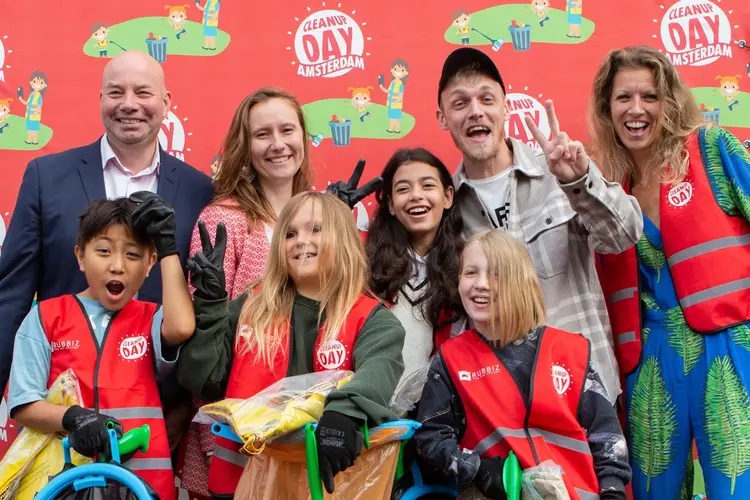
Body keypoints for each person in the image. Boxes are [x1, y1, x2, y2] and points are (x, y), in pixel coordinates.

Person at [177, 87, 380, 499]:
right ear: (245, 145)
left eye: (287, 130)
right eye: (262, 134)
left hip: (314, 433)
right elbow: (206, 337)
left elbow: (347, 315)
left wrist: (335, 226)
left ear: (303, 139)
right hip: (241, 435)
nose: (277, 144)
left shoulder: (324, 215)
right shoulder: (222, 219)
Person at [0, 50, 214, 402]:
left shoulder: (200, 190)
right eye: (116, 93)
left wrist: (191, 408)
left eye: (143, 93)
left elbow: (206, 309)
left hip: (164, 412)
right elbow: (11, 299)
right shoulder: (46, 178)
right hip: (62, 408)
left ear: (166, 102)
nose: (129, 104)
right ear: (100, 100)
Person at [437, 47, 643, 403]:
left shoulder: (558, 171)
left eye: (487, 99)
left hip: (582, 394)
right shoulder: (446, 208)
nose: (475, 111)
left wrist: (578, 180)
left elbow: (623, 235)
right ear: (442, 118)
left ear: (505, 108)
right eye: (460, 103)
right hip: (502, 406)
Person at [590, 45, 750, 499]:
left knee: (736, 486)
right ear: (607, 108)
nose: (636, 110)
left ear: (671, 102)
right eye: (623, 98)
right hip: (649, 357)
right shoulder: (607, 188)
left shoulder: (712, 148)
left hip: (729, 345)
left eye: (650, 97)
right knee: (654, 492)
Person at [178, 191, 406, 498]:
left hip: (325, 488)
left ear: (343, 239)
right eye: (290, 233)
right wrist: (210, 304)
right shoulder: (249, 307)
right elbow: (202, 380)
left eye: (315, 229)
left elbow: (378, 374)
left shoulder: (374, 320)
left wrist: (344, 414)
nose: (301, 240)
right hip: (242, 484)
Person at [414, 230, 632, 500]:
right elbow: (430, 438)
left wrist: (612, 489)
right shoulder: (449, 361)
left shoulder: (568, 351)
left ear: (521, 282)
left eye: (496, 274)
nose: (481, 284)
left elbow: (606, 436)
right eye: (470, 273)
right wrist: (477, 469)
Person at [7, 194, 195, 500]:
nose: (117, 266)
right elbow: (24, 403)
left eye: (133, 255)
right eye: (104, 251)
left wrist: (168, 250)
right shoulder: (45, 317)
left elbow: (183, 327)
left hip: (143, 486)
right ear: (80, 256)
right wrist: (72, 418)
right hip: (66, 483)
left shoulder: (152, 318)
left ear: (150, 263)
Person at [366, 147, 466, 384]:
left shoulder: (466, 267)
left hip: (442, 406)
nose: (416, 196)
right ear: (391, 204)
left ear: (448, 196)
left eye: (428, 186)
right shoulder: (364, 263)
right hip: (375, 404)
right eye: (403, 189)